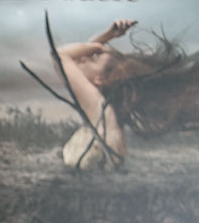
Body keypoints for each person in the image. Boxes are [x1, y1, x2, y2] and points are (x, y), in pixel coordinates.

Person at [55, 19, 199, 169]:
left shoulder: (97, 104)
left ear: (100, 79)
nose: (83, 58)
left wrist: (100, 44)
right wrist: (106, 38)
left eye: (93, 58)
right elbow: (76, 60)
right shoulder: (107, 107)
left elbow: (60, 55)